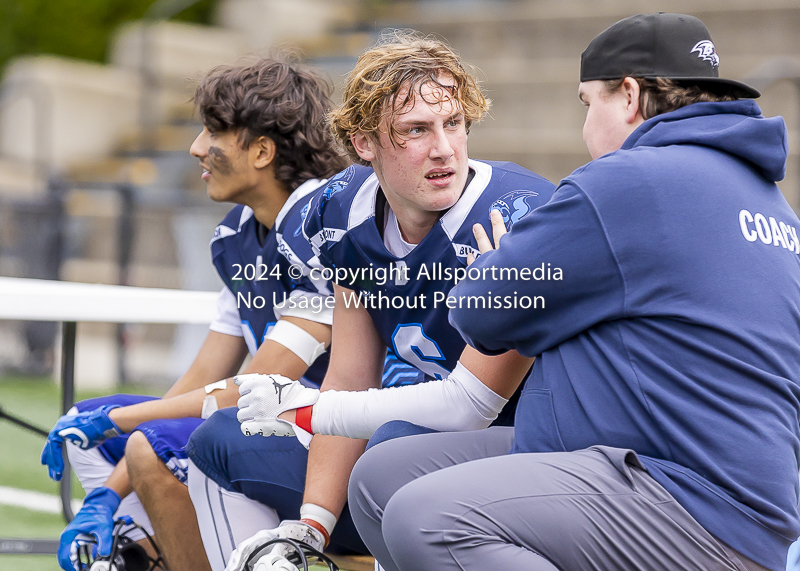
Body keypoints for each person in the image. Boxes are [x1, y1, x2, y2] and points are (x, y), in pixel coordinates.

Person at [338, 12, 800, 571]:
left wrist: (490, 268)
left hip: (689, 498)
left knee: (428, 517)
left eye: (588, 104)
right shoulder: (771, 203)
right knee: (381, 478)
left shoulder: (629, 180)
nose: (585, 128)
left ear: (627, 95)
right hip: (686, 473)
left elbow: (481, 312)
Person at [185, 31, 555, 571]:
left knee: (393, 449)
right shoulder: (342, 216)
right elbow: (352, 377)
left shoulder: (516, 216)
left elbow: (471, 406)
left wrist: (308, 408)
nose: (444, 148)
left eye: (453, 124)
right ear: (364, 144)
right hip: (395, 448)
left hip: (517, 457)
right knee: (222, 433)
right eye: (415, 130)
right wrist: (310, 525)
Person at [40, 56, 349, 571]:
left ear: (262, 151)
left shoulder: (321, 224)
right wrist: (106, 491)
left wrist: (120, 426)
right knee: (85, 429)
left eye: (213, 132)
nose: (196, 148)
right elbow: (202, 379)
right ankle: (146, 552)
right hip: (265, 423)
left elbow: (260, 384)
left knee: (148, 443)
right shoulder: (235, 235)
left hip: (335, 438)